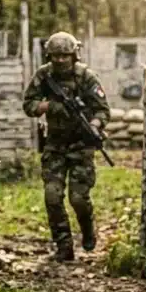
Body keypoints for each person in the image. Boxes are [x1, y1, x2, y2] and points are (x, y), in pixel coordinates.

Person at [22, 32, 111, 261]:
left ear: (74, 55)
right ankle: (64, 246)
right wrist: (49, 106)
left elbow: (103, 109)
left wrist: (94, 124)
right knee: (52, 197)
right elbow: (28, 104)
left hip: (81, 146)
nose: (60, 60)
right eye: (55, 56)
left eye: (65, 56)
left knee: (79, 199)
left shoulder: (86, 77)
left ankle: (88, 229)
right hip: (55, 145)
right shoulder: (44, 76)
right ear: (49, 56)